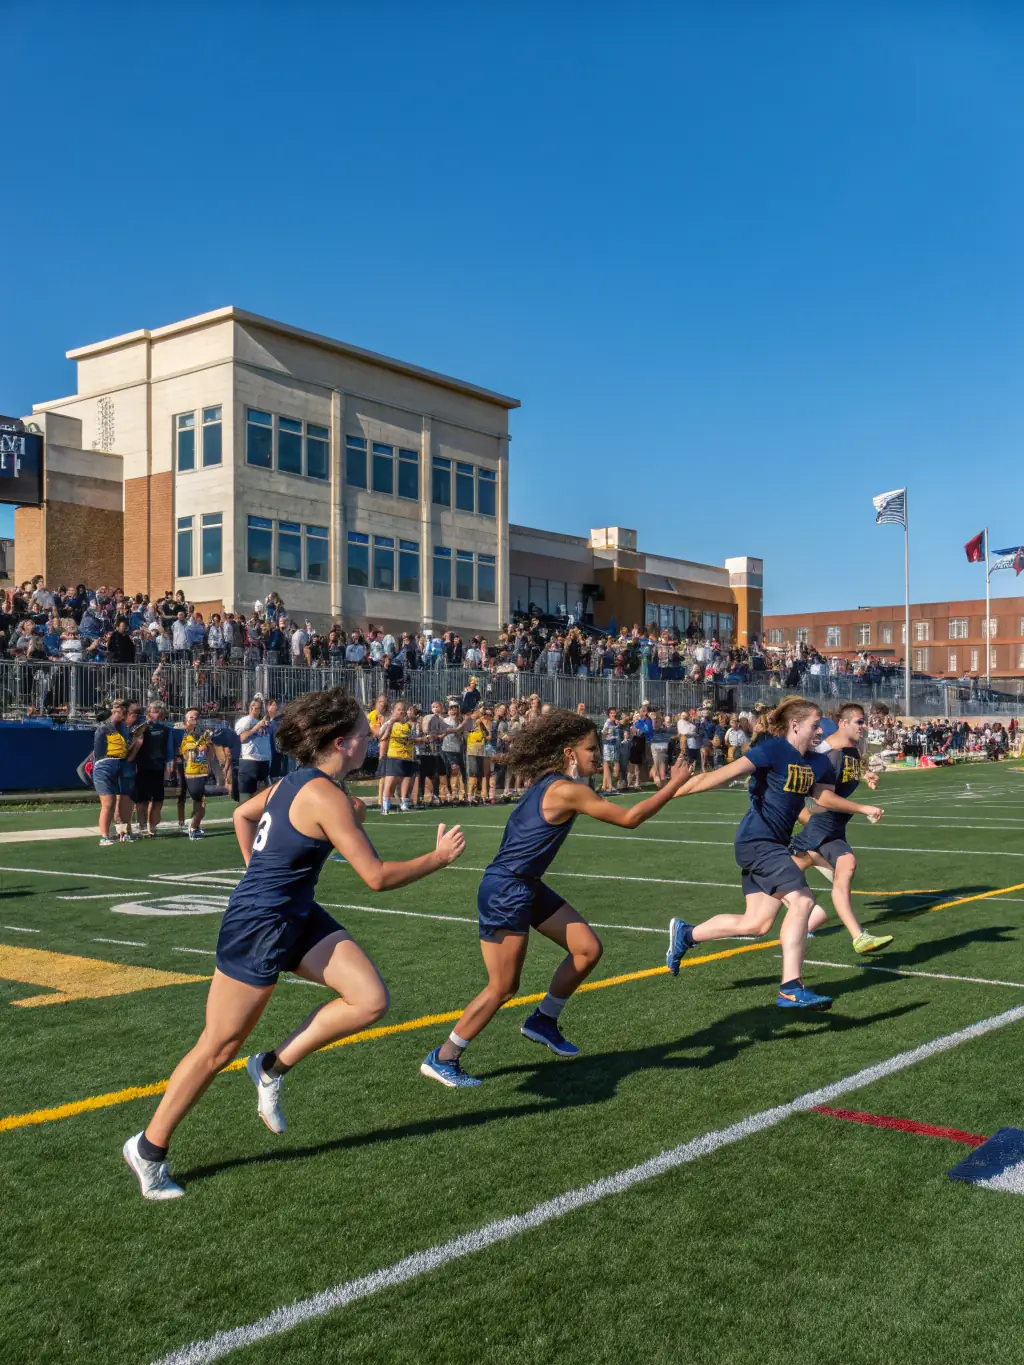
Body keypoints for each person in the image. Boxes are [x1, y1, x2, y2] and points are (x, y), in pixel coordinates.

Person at [123, 687, 466, 1199]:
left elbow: (243, 817)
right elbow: (374, 876)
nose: (370, 738)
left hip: (295, 914)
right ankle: (148, 1149)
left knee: (369, 999)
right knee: (217, 1047)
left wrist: (261, 873)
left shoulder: (300, 783)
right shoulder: (324, 795)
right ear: (340, 742)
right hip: (260, 925)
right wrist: (436, 858)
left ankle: (271, 1066)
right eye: (362, 733)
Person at [420, 710, 692, 1088]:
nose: (598, 755)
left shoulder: (552, 781)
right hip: (507, 890)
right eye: (591, 749)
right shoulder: (567, 788)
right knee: (503, 987)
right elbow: (630, 818)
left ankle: (543, 1020)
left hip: (525, 885)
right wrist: (672, 784)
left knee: (587, 949)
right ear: (569, 752)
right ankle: (443, 1056)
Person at [665, 696, 883, 1010]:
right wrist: (667, 794)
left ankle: (686, 934)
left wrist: (860, 792)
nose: (820, 731)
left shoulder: (817, 761)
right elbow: (716, 777)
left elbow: (822, 798)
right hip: (757, 841)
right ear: (795, 725)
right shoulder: (773, 750)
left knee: (756, 924)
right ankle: (791, 988)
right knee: (803, 900)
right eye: (814, 725)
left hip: (774, 845)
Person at [791, 703, 893, 954]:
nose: (864, 726)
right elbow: (822, 797)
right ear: (843, 723)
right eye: (859, 721)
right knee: (760, 916)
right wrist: (863, 808)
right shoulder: (828, 752)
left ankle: (857, 937)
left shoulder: (851, 750)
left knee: (845, 871)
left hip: (832, 830)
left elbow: (852, 768)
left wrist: (866, 774)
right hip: (819, 830)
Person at [93, 699, 143, 846]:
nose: (123, 715)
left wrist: (135, 742)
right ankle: (105, 836)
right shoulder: (103, 728)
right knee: (108, 803)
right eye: (121, 712)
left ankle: (124, 832)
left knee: (125, 799)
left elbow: (127, 752)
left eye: (124, 713)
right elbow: (99, 753)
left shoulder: (124, 729)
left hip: (121, 764)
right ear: (114, 712)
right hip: (105, 766)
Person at [133, 702, 175, 836]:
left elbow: (169, 751)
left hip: (158, 768)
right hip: (142, 767)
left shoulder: (167, 729)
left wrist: (169, 765)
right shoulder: (141, 728)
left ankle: (152, 826)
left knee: (158, 800)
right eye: (155, 711)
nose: (158, 713)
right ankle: (142, 825)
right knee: (142, 800)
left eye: (160, 711)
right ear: (148, 713)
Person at [178, 708, 213, 839]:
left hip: (203, 773)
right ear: (186, 721)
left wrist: (209, 765)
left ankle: (195, 826)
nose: (194, 719)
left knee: (198, 803)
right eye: (191, 718)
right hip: (193, 774)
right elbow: (190, 753)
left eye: (196, 717)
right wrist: (200, 744)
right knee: (201, 805)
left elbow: (209, 753)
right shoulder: (186, 738)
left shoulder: (202, 736)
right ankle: (193, 828)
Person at [379, 699, 417, 814]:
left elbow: (410, 739)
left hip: (407, 755)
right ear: (393, 711)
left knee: (406, 779)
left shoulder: (408, 725)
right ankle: (385, 805)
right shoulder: (390, 723)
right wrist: (390, 723)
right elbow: (382, 736)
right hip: (394, 755)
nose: (401, 712)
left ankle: (404, 803)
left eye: (403, 709)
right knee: (390, 780)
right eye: (399, 709)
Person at [235, 698, 273, 797]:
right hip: (250, 761)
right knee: (248, 798)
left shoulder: (260, 722)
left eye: (260, 708)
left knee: (266, 796)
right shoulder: (245, 721)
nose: (259, 710)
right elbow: (240, 738)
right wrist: (256, 727)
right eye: (258, 708)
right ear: (252, 708)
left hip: (263, 761)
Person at [600, 707, 621, 792]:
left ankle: (606, 786)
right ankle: (609, 786)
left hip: (614, 746)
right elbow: (603, 733)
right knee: (608, 765)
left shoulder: (615, 723)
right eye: (612, 713)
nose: (614, 714)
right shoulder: (608, 722)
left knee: (610, 766)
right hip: (608, 745)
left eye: (614, 713)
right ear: (609, 714)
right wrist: (605, 734)